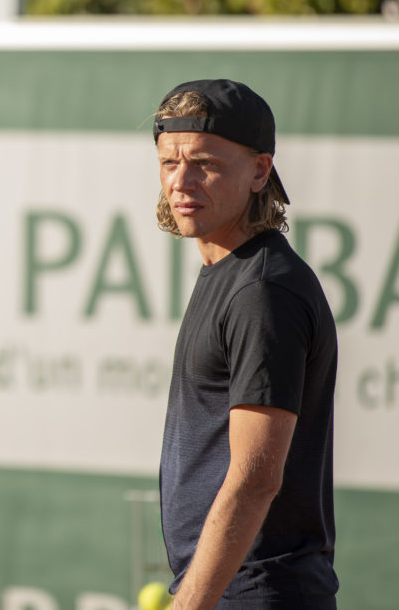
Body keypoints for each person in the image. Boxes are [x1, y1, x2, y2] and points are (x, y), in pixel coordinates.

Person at [152, 79, 338, 609]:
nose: (182, 181)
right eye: (169, 163)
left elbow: (255, 479)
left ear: (260, 171)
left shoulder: (262, 292)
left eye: (205, 163)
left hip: (254, 593)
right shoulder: (228, 272)